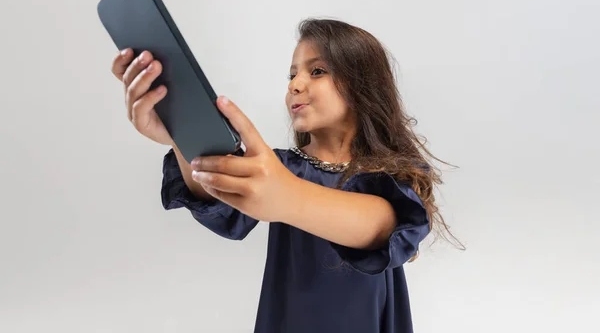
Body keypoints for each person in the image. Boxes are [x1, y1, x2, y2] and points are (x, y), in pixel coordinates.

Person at [111, 18, 461, 333]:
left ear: (362, 85)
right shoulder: (278, 168)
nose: (295, 84)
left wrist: (284, 195)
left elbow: (385, 227)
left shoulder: (385, 177)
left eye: (317, 71)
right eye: (292, 74)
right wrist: (180, 132)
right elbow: (217, 198)